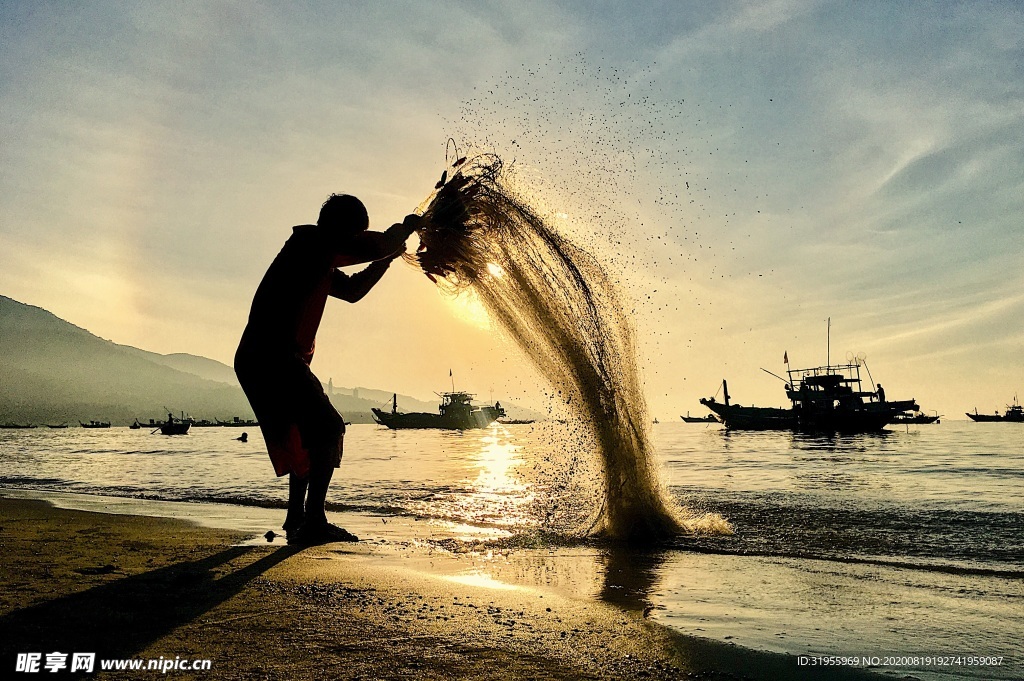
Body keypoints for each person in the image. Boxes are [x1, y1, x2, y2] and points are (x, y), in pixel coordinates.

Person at [235, 194, 418, 545]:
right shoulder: (309, 243)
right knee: (329, 427)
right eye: (353, 232)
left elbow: (352, 291)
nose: (353, 240)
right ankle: (314, 521)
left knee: (307, 434)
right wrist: (403, 231)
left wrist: (388, 258)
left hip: (263, 358)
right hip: (271, 356)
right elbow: (374, 245)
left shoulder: (315, 257)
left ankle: (296, 519)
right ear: (339, 226)